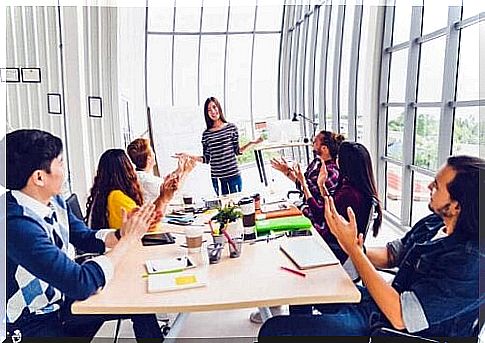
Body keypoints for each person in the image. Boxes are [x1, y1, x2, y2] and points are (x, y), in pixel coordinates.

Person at [259, 155, 483, 338]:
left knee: (274, 330)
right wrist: (354, 247)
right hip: (377, 304)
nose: (429, 186)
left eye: (436, 186)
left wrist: (355, 252)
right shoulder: (435, 222)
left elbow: (401, 316)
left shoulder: (472, 262)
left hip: (392, 329)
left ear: (456, 206)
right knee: (305, 289)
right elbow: (391, 254)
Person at [4, 129, 163, 341]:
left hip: (61, 303)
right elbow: (80, 283)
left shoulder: (54, 201)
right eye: (60, 163)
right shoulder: (16, 224)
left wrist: (120, 233)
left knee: (140, 304)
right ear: (39, 177)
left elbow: (84, 236)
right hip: (31, 325)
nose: (65, 169)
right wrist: (128, 240)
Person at [294, 141, 382, 263]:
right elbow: (331, 207)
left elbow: (320, 215)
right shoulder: (357, 188)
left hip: (334, 249)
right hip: (339, 245)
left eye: (338, 157)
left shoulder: (349, 194)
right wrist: (321, 186)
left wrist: (303, 183)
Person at [176, 96, 263, 196]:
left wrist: (252, 143)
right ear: (206, 114)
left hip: (234, 175)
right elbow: (206, 159)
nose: (213, 111)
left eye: (214, 107)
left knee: (236, 204)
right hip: (217, 178)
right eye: (209, 110)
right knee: (224, 207)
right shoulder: (206, 134)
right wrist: (188, 156)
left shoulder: (231, 128)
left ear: (219, 108)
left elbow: (237, 151)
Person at [86, 148, 187, 230]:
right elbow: (147, 227)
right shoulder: (117, 197)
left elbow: (145, 217)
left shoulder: (106, 194)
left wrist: (163, 198)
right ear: (126, 169)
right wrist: (164, 199)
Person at [270, 130, 344, 228]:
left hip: (314, 218)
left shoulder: (331, 172)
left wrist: (291, 174)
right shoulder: (317, 162)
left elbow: (313, 196)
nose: (312, 144)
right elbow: (304, 184)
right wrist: (286, 171)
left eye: (315, 142)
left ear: (324, 148)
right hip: (304, 207)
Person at [127, 137, 195, 203]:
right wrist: (186, 172)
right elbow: (172, 193)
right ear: (149, 159)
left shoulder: (139, 176)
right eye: (152, 152)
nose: (154, 154)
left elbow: (165, 182)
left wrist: (179, 170)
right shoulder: (147, 181)